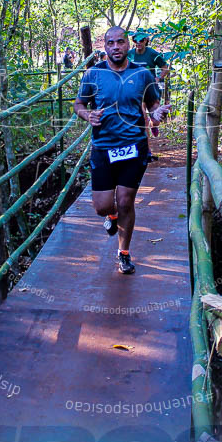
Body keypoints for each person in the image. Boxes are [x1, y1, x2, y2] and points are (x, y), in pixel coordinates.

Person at [74, 27, 171, 274]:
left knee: (126, 201)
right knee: (102, 207)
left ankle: (123, 253)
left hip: (133, 146)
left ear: (128, 45)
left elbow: (153, 104)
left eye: (120, 42)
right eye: (110, 43)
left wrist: (156, 115)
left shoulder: (142, 74)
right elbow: (79, 104)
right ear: (104, 47)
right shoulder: (93, 74)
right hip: (103, 147)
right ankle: (112, 215)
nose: (116, 47)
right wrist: (88, 115)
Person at [128, 32, 170, 157]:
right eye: (136, 40)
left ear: (146, 41)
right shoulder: (129, 54)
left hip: (151, 89)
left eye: (141, 40)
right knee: (143, 119)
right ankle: (147, 150)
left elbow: (165, 68)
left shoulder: (153, 54)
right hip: (136, 91)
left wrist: (157, 78)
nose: (138, 43)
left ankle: (154, 125)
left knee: (155, 120)